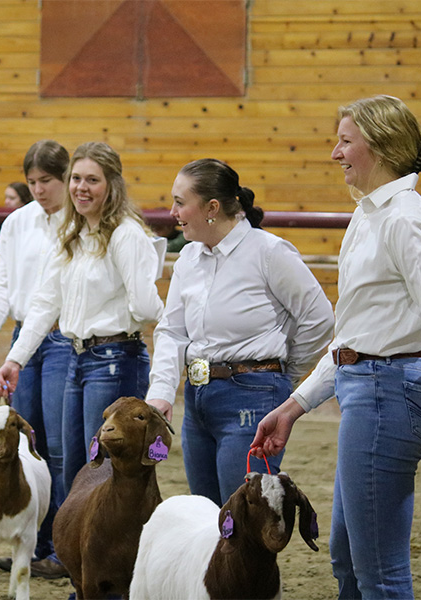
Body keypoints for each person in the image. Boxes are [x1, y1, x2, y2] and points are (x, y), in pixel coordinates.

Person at [251, 95, 421, 599]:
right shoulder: (372, 215)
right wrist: (294, 405)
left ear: (380, 147)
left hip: (384, 395)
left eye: (345, 141)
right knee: (349, 559)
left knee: (379, 573)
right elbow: (356, 340)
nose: (335, 153)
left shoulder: (402, 218)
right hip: (370, 389)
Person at [146, 159, 334, 505]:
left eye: (179, 201)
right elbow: (172, 330)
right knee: (206, 514)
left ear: (212, 208)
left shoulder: (268, 251)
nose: (173, 212)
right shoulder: (189, 257)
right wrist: (161, 391)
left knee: (245, 513)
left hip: (253, 396)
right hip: (199, 396)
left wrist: (281, 375)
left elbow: (319, 318)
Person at [0, 141, 165, 493]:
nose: (81, 188)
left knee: (103, 465)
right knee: (74, 463)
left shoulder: (125, 234)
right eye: (75, 179)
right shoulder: (72, 235)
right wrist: (15, 359)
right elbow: (45, 303)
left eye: (92, 180)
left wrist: (121, 315)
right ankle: (67, 549)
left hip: (115, 359)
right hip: (78, 357)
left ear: (111, 185)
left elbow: (147, 308)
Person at [0, 141, 72, 579]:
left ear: (65, 178)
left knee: (58, 444)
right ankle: (35, 542)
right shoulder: (16, 223)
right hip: (21, 338)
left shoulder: (79, 221)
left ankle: (64, 544)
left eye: (46, 182)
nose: (38, 190)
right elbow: (1, 281)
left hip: (65, 337)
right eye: (31, 182)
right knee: (25, 440)